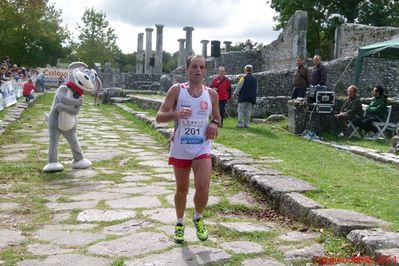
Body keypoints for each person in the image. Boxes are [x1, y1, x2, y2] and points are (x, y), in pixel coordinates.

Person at [155, 55, 221, 244]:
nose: (198, 70)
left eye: (201, 67)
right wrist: (176, 114)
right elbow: (159, 117)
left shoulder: (212, 94)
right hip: (181, 146)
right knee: (182, 190)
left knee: (203, 188)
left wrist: (214, 124)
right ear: (187, 69)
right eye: (194, 66)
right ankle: (179, 222)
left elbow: (217, 117)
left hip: (202, 146)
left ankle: (198, 217)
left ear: (205, 71)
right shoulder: (177, 90)